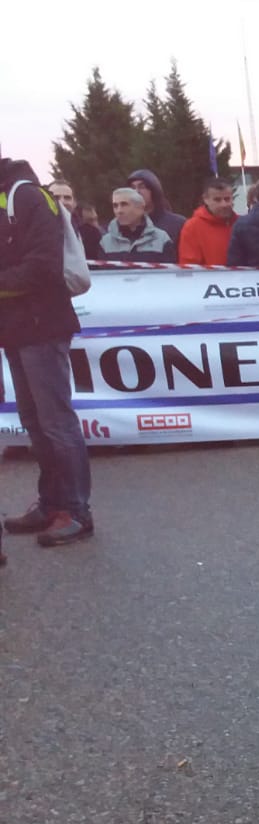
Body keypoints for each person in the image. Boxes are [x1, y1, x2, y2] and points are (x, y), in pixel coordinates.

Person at [0, 156, 92, 549]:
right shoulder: (10, 196)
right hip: (18, 328)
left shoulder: (29, 197)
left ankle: (77, 511)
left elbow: (42, 266)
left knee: (56, 422)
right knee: (35, 422)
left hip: (42, 325)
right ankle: (51, 503)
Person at [100, 187, 177, 263]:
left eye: (124, 204)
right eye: (115, 206)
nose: (119, 211)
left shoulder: (161, 239)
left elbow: (169, 274)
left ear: (140, 207)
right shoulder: (106, 242)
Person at [178, 176, 238, 266]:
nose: (224, 204)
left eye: (227, 199)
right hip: (209, 279)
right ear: (206, 199)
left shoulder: (240, 224)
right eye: (217, 200)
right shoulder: (192, 227)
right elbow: (189, 265)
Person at [126, 169, 186, 244]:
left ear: (154, 190)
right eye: (132, 188)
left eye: (142, 187)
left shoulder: (177, 224)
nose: (136, 191)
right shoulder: (123, 226)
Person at [46, 179, 102, 259]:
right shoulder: (35, 232)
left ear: (74, 203)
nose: (62, 201)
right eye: (56, 197)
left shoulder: (91, 234)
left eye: (67, 198)